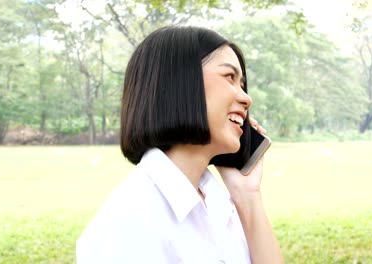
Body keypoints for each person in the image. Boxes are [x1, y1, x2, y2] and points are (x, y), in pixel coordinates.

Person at [76, 26, 284, 264]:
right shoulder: (127, 224)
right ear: (180, 82)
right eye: (230, 77)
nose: (247, 98)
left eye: (242, 84)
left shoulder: (217, 204)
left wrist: (248, 195)